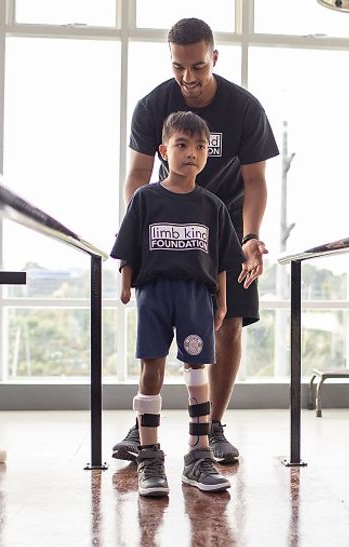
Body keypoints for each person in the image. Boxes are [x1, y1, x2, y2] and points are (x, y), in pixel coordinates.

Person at [112, 17, 279, 465]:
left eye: (198, 67)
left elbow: (257, 181)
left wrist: (250, 236)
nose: (188, 78)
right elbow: (136, 175)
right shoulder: (152, 106)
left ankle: (214, 428)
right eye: (178, 67)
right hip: (171, 230)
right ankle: (144, 425)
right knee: (158, 331)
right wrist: (140, 229)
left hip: (225, 228)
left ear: (214, 58)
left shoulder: (244, 108)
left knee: (228, 325)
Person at [110, 111, 244, 497]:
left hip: (196, 296)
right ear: (163, 151)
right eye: (182, 145)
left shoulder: (213, 206)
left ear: (207, 153)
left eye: (200, 147)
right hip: (154, 293)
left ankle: (198, 456)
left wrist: (221, 300)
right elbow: (129, 246)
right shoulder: (146, 199)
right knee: (152, 368)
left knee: (197, 370)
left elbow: (220, 259)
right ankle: (150, 457)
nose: (191, 153)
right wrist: (124, 282)